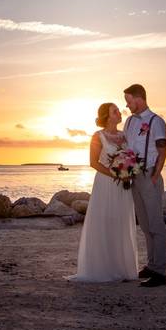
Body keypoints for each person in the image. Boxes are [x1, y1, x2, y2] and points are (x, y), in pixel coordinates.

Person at [65, 103, 139, 282]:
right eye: (115, 111)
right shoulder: (98, 136)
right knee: (105, 221)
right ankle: (103, 268)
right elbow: (93, 162)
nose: (119, 113)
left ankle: (121, 268)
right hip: (106, 184)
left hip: (123, 185)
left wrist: (128, 172)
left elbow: (132, 157)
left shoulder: (124, 135)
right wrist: (116, 174)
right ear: (107, 115)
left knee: (120, 221)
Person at [123, 83, 166, 287]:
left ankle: (160, 272)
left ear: (139, 98)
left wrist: (154, 176)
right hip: (134, 177)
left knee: (156, 224)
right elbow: (126, 149)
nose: (127, 105)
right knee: (144, 223)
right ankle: (151, 265)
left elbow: (163, 151)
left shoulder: (156, 121)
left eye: (129, 101)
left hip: (149, 175)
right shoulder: (130, 122)